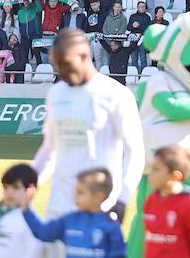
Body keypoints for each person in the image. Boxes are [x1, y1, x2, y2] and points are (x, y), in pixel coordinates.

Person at [33, 28, 144, 219]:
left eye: (65, 64)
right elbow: (50, 148)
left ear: (85, 56)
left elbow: (135, 151)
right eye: (57, 65)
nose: (60, 71)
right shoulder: (56, 93)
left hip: (100, 208)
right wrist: (29, 180)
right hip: (58, 207)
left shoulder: (116, 94)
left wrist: (122, 199)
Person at [21, 168, 126, 258]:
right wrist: (26, 209)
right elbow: (43, 232)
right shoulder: (69, 220)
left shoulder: (111, 227)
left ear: (99, 197)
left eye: (80, 192)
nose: (75, 196)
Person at [138, 145, 190, 258]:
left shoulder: (188, 203)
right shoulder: (151, 200)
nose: (151, 174)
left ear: (175, 176)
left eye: (156, 169)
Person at [0, 163, 41, 258]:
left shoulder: (31, 222)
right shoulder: (0, 213)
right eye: (6, 187)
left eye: (16, 187)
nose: (9, 192)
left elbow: (34, 251)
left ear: (30, 190)